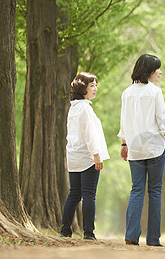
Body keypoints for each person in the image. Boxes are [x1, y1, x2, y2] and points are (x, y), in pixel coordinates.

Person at [118, 54, 165, 247]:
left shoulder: (127, 92)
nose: (160, 72)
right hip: (154, 147)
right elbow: (162, 120)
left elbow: (123, 121)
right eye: (157, 68)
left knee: (136, 190)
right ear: (149, 71)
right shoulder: (155, 92)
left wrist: (124, 143)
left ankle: (131, 235)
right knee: (155, 191)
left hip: (134, 147)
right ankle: (153, 239)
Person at [61, 72, 110, 241]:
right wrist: (97, 155)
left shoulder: (73, 108)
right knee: (89, 195)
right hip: (88, 157)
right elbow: (90, 135)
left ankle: (65, 230)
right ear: (83, 89)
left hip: (74, 156)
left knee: (74, 194)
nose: (95, 89)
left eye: (96, 85)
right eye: (92, 86)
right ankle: (89, 232)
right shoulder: (86, 109)